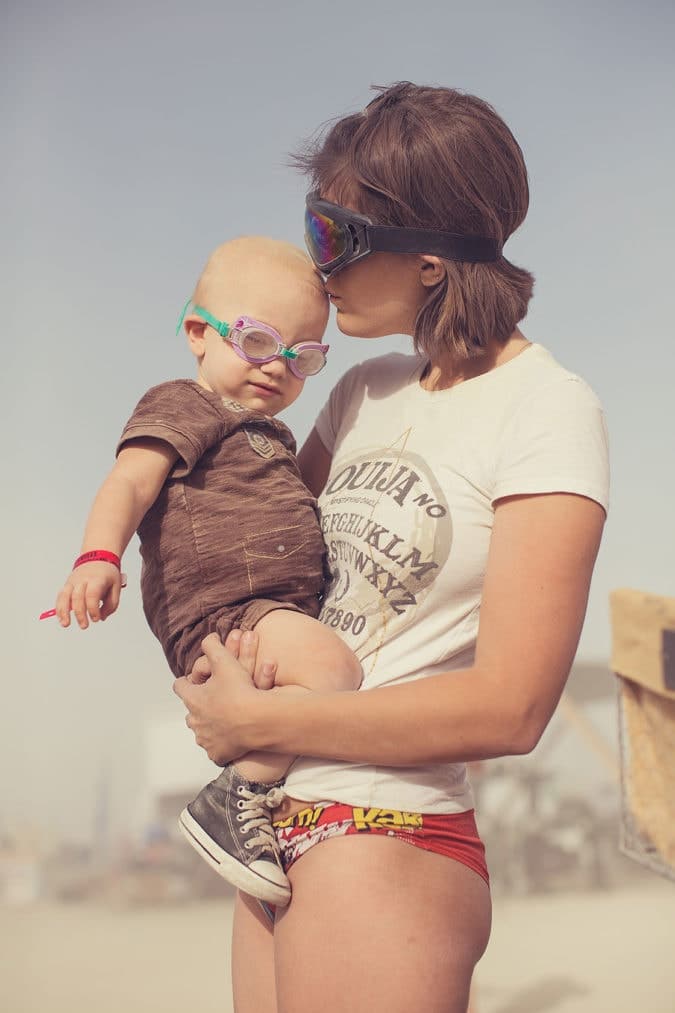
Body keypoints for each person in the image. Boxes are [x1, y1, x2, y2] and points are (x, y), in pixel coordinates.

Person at [174, 82, 609, 1013]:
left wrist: (261, 724)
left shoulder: (547, 408)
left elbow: (512, 705)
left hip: (385, 827)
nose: (314, 267)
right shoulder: (360, 390)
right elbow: (265, 557)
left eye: (332, 236)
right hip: (268, 822)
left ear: (426, 256)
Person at [51, 236, 362, 906]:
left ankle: (262, 798)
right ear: (198, 331)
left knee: (320, 686)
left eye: (301, 356)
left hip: (263, 608)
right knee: (335, 672)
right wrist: (98, 555)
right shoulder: (184, 404)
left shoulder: (269, 433)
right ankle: (234, 797)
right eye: (256, 341)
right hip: (224, 606)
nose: (275, 367)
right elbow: (130, 483)